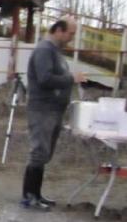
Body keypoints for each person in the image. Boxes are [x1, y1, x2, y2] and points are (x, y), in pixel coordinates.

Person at [21, 15, 86, 210]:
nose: (71, 38)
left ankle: (37, 194)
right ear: (58, 30)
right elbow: (45, 79)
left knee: (45, 152)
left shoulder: (55, 51)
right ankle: (29, 196)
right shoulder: (44, 50)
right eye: (70, 33)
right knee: (39, 152)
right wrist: (71, 79)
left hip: (54, 109)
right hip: (42, 109)